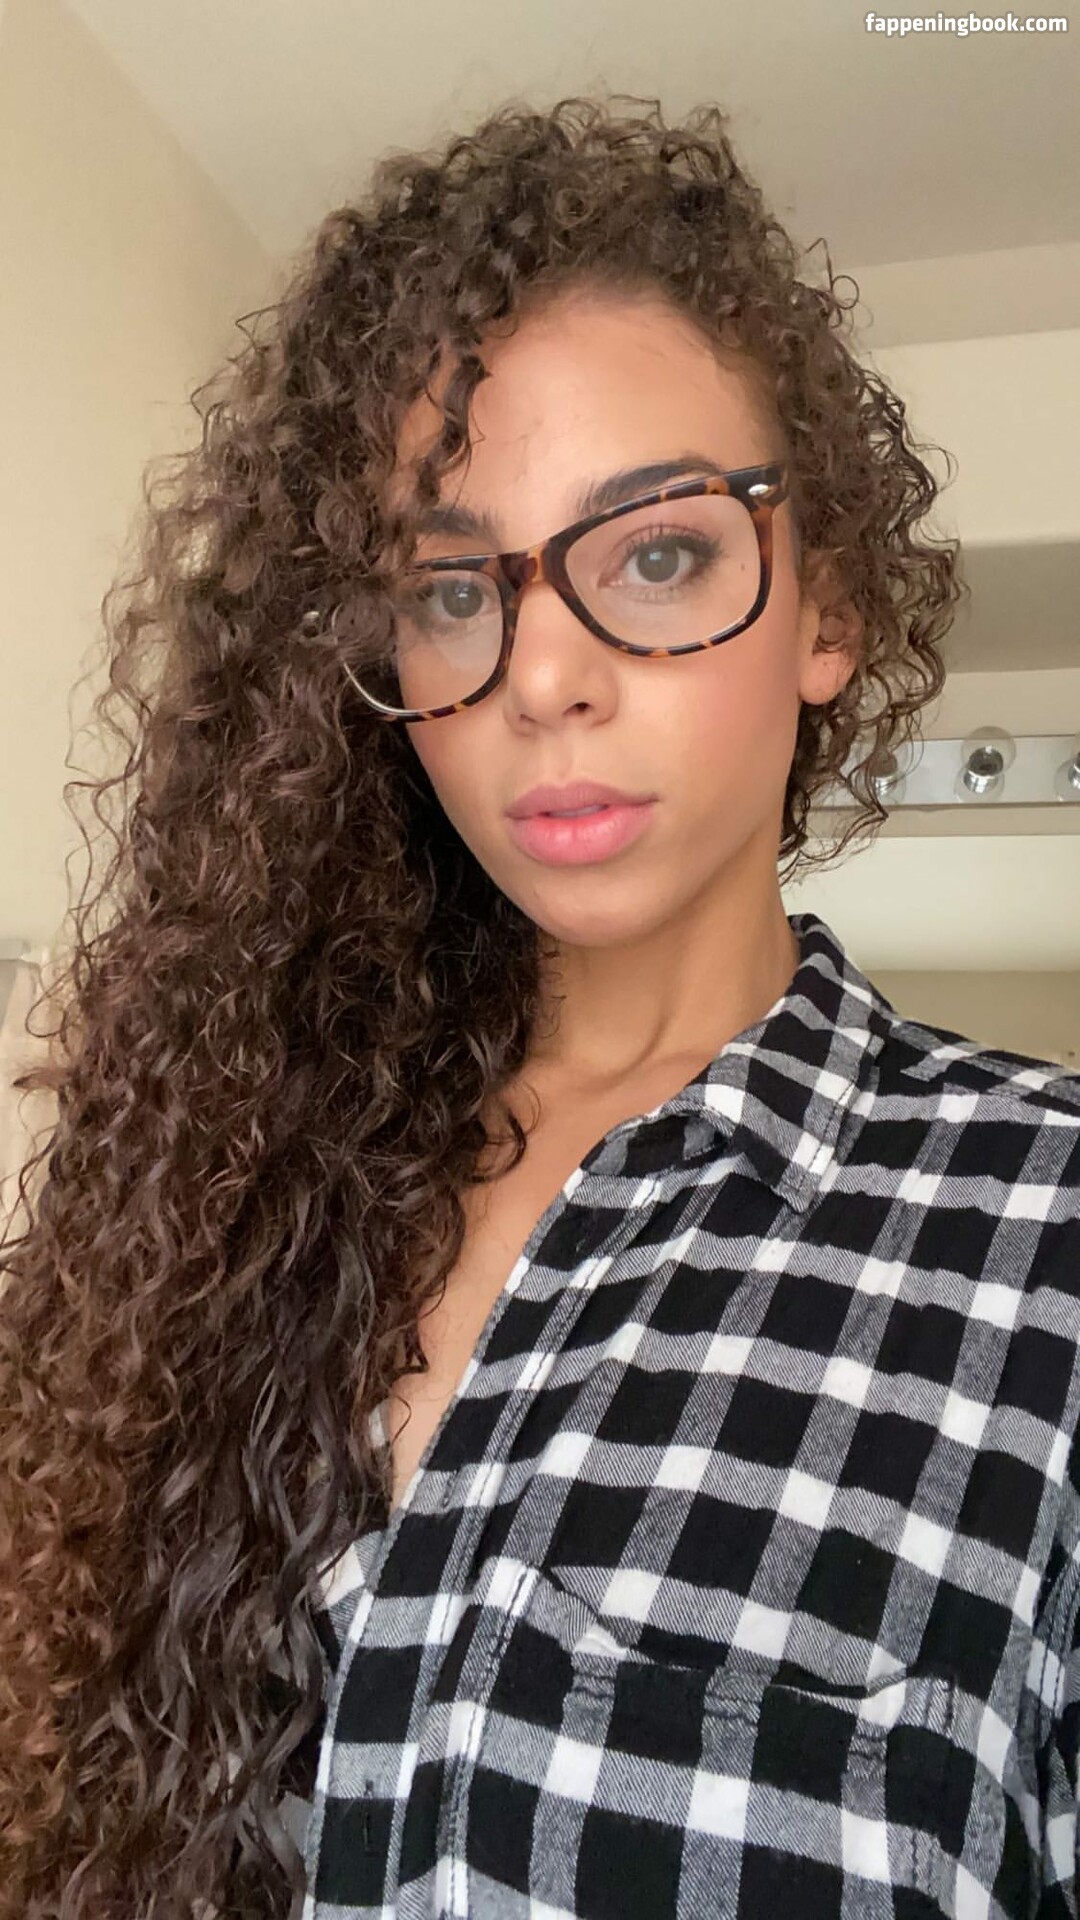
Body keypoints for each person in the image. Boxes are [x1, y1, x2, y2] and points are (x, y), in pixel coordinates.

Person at [1, 92, 1078, 1920]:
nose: (544, 677)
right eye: (451, 586)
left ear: (826, 610)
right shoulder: (219, 1193)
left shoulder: (1040, 1226)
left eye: (657, 552)